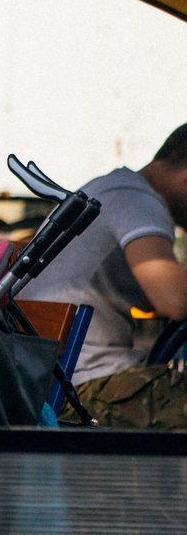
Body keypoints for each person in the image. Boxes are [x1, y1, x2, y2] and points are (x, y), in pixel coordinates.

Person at [25, 125, 187, 429]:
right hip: (88, 389)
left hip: (56, 382)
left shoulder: (111, 189)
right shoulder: (138, 202)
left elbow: (154, 297)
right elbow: (174, 301)